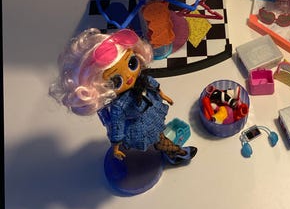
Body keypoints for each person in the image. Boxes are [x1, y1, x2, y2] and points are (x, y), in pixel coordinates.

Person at [50, 28, 196, 164]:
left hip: (151, 114)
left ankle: (172, 150)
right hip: (139, 127)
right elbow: (117, 125)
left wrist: (163, 95)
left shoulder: (141, 81)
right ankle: (177, 153)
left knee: (159, 134)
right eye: (115, 80)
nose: (128, 77)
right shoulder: (119, 106)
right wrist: (116, 145)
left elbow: (151, 84)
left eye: (132, 63)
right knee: (159, 139)